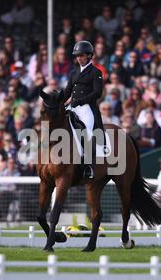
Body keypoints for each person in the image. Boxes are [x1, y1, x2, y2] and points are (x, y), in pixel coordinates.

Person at [61, 40, 104, 179]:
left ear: (89, 56)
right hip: (73, 107)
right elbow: (67, 92)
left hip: (87, 109)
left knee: (87, 132)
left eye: (82, 55)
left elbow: (97, 93)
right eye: (77, 56)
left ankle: (88, 166)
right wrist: (56, 101)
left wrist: (81, 101)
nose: (79, 58)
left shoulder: (96, 72)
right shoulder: (74, 73)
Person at [0, 156, 21, 222]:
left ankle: (4, 216)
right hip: (2, 192)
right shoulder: (2, 173)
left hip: (12, 192)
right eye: (10, 163)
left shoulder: (17, 174)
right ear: (7, 164)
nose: (11, 164)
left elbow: (15, 186)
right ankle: (1, 215)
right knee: (2, 194)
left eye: (12, 163)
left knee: (5, 194)